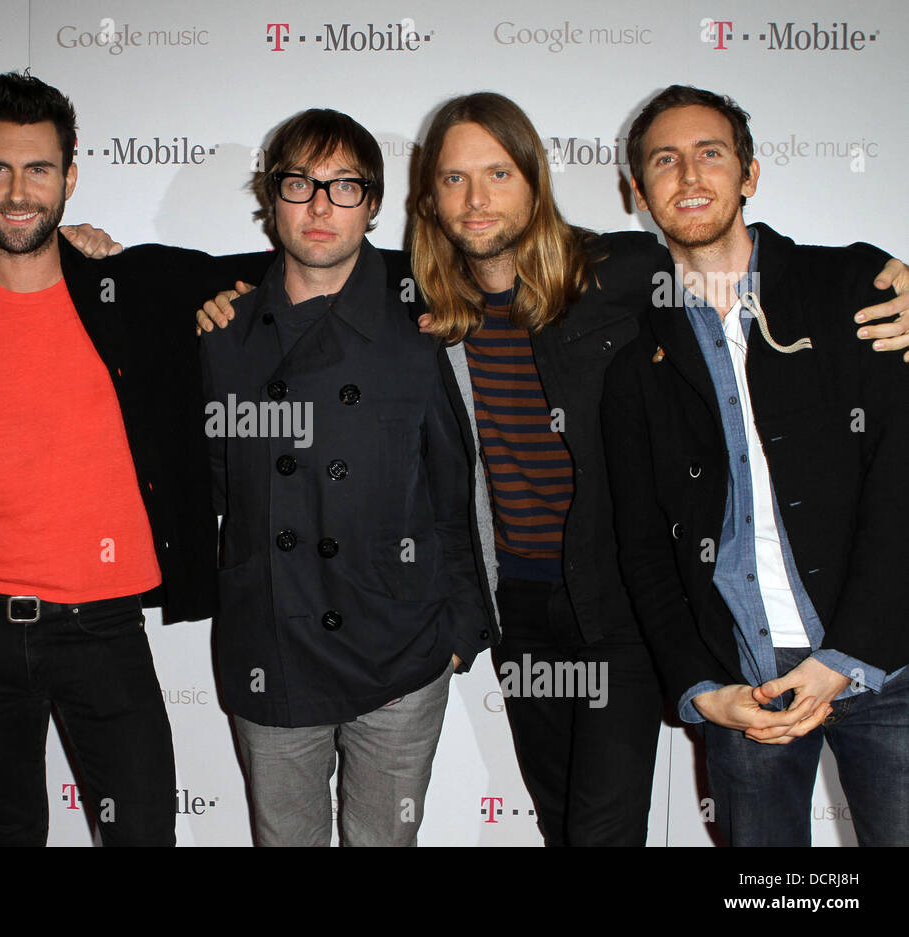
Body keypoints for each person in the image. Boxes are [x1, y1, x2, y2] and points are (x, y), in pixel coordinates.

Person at [201, 92, 909, 846]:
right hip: (520, 612)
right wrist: (207, 294)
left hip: (616, 608)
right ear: (427, 201)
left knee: (603, 831)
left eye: (498, 173)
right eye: (453, 180)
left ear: (535, 183)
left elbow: (728, 256)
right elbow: (312, 253)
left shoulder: (621, 271)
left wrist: (881, 276)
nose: (476, 200)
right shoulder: (420, 299)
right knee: (561, 822)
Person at [0, 72, 271, 846]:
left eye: (38, 168)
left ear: (70, 176)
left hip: (103, 631)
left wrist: (437, 281)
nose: (18, 190)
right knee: (9, 834)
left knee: (142, 834)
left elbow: (302, 270)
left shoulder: (133, 289)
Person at [601, 85, 909, 846]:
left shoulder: (855, 288)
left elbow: (901, 484)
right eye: (664, 161)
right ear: (638, 192)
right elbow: (643, 549)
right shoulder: (636, 364)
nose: (690, 175)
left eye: (711, 153)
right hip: (746, 684)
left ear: (751, 174)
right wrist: (703, 689)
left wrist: (848, 654)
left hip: (888, 666)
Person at [200, 108, 495, 846]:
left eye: (344, 186)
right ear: (272, 199)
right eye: (301, 184)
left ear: (373, 203)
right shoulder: (221, 332)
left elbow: (460, 492)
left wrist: (459, 632)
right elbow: (210, 489)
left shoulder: (423, 321)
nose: (322, 205)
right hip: (274, 647)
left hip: (400, 653)